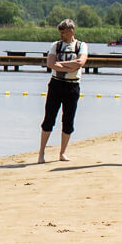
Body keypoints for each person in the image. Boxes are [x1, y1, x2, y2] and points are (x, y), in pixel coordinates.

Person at [38, 18, 88, 163]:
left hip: (72, 86)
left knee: (68, 120)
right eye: (60, 33)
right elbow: (50, 64)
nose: (61, 36)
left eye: (64, 33)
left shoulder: (81, 46)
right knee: (49, 118)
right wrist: (69, 66)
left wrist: (61, 64)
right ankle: (41, 153)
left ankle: (62, 152)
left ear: (71, 31)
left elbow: (80, 63)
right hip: (56, 84)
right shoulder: (56, 45)